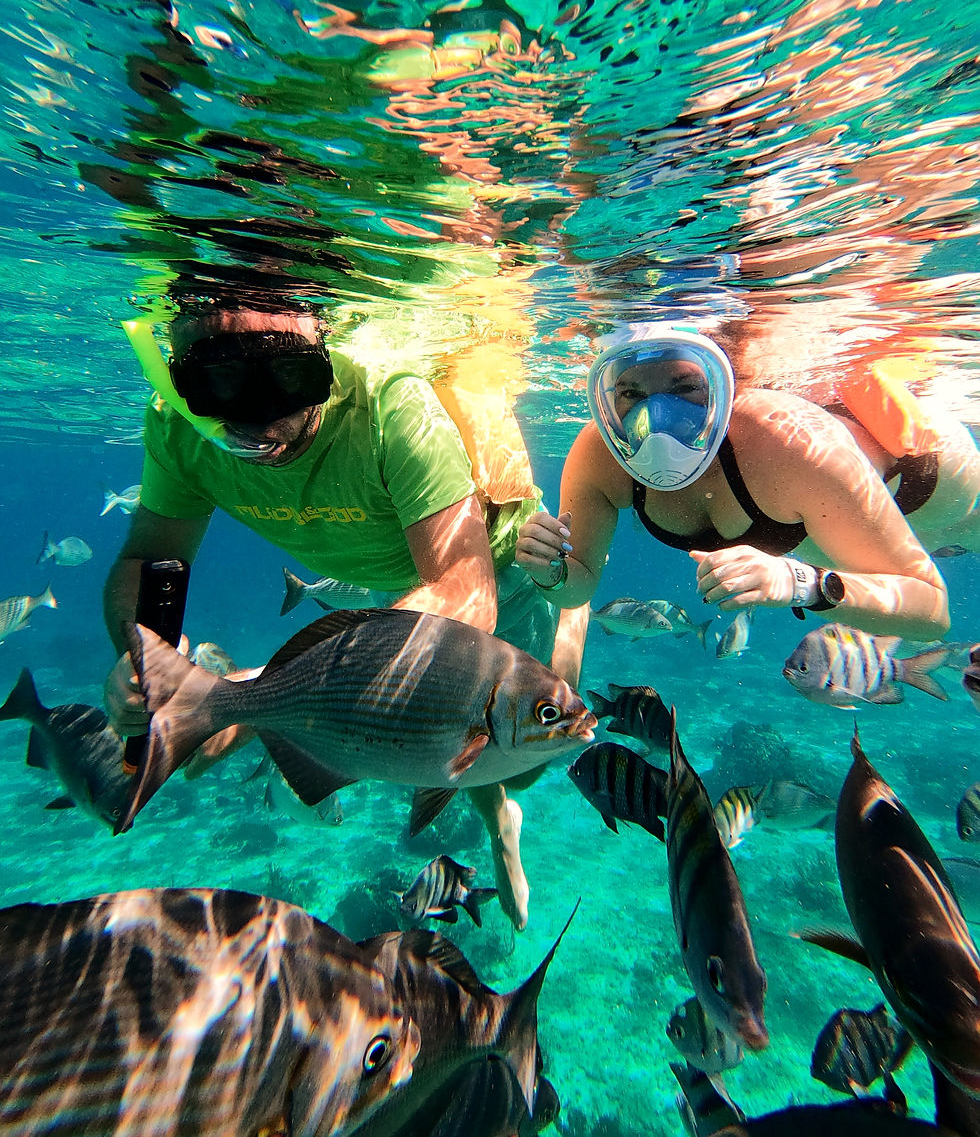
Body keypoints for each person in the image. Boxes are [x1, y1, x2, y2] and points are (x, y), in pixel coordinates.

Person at [103, 286, 576, 931]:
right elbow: (153, 561)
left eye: (291, 376)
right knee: (457, 736)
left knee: (516, 756)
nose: (258, 415)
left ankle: (500, 820)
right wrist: (147, 658)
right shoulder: (176, 428)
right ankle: (485, 800)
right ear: (178, 370)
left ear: (323, 348)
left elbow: (466, 591)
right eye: (218, 380)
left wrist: (266, 691)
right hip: (396, 609)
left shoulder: (390, 403)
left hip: (500, 578)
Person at [514, 321, 970, 646]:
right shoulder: (601, 454)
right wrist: (547, 569)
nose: (656, 422)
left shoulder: (786, 440)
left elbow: (932, 612)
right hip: (828, 525)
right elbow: (578, 585)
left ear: (725, 386)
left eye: (686, 387)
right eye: (631, 393)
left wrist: (795, 582)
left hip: (932, 490)